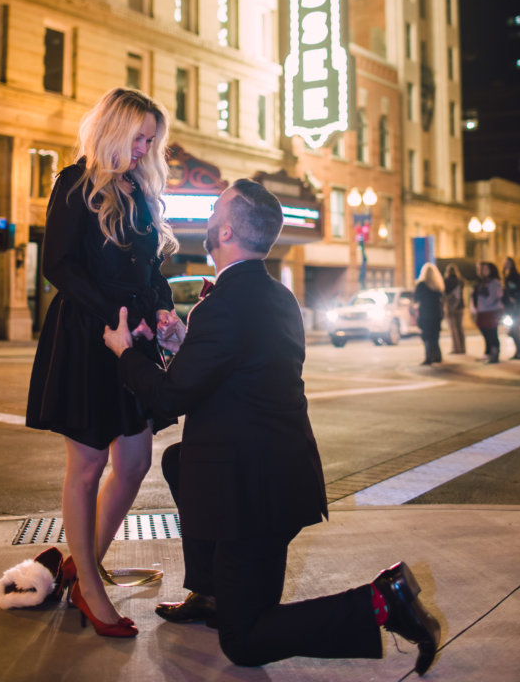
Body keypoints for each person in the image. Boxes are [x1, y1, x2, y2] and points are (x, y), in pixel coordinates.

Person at [103, 179, 441, 676]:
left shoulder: (226, 305)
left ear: (225, 230)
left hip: (250, 496)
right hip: (280, 478)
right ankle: (211, 593)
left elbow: (170, 397)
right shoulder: (275, 296)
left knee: (244, 641)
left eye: (217, 208)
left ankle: (383, 602)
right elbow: (240, 367)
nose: (212, 214)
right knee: (180, 461)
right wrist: (185, 340)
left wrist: (125, 353)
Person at [26, 88, 180, 638]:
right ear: (113, 130)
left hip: (131, 336)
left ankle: (79, 564)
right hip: (88, 335)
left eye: (150, 140)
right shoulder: (74, 183)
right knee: (87, 466)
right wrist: (114, 319)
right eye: (139, 137)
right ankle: (89, 586)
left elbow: (151, 271)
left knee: (135, 461)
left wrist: (161, 311)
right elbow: (59, 267)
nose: (144, 149)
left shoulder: (138, 191)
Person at [470, 261, 503, 363]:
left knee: (492, 333)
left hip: (491, 311)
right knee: (486, 333)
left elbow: (493, 298)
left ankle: (494, 354)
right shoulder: (483, 282)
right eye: (482, 269)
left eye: (485, 269)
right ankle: (488, 353)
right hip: (483, 311)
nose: (483, 272)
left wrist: (484, 303)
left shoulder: (494, 282)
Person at [414, 262, 445, 365]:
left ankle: (428, 357)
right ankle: (437, 356)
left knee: (426, 336)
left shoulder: (421, 285)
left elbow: (416, 299)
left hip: (425, 313)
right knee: (435, 336)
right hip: (436, 313)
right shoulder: (438, 286)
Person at [502, 257, 520, 359]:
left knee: (514, 329)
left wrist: (514, 297)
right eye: (505, 263)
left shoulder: (515, 276)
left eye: (508, 263)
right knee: (512, 330)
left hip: (516, 306)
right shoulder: (506, 276)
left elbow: (518, 289)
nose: (506, 265)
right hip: (510, 306)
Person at [443, 264, 465, 354]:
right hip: (460, 306)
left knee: (453, 328)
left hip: (451, 307)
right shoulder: (460, 281)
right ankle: (463, 348)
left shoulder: (446, 281)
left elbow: (444, 294)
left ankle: (456, 348)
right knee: (460, 328)